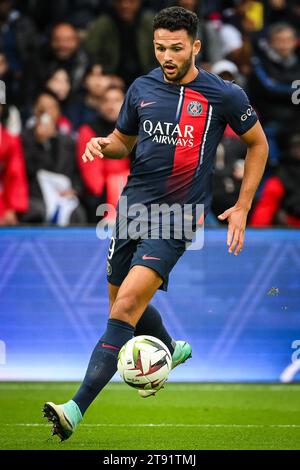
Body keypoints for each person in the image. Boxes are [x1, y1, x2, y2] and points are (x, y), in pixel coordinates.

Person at [43, 6, 269, 441]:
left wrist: (242, 206)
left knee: (125, 308)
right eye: (160, 47)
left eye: (176, 48)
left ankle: (74, 408)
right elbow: (123, 144)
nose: (167, 56)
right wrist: (100, 144)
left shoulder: (223, 95)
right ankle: (169, 348)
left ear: (196, 47)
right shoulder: (142, 88)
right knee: (121, 308)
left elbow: (258, 144)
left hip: (176, 218)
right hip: (130, 211)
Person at [77, 85, 130, 223]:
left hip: (131, 190)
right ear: (100, 105)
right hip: (102, 197)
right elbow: (92, 173)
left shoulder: (134, 129)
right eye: (106, 100)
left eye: (116, 100)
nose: (111, 105)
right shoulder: (88, 130)